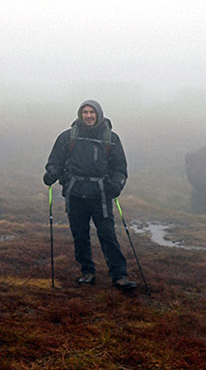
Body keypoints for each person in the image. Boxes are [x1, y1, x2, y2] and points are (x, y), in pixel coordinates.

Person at [44, 100, 137, 290]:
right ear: (80, 114)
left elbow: (120, 168)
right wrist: (51, 173)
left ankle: (119, 275)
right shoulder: (67, 137)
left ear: (99, 115)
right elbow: (55, 161)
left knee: (108, 235)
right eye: (85, 112)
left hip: (101, 196)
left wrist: (117, 185)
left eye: (91, 112)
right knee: (80, 235)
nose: (88, 116)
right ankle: (87, 272)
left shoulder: (111, 139)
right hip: (75, 194)